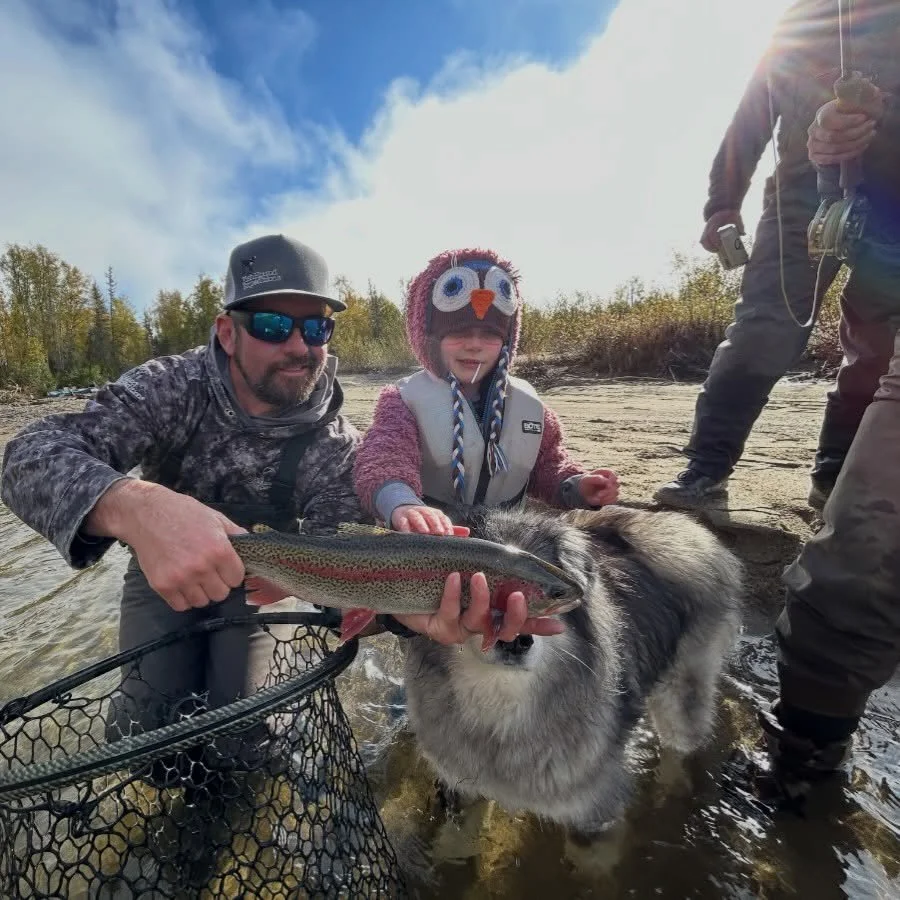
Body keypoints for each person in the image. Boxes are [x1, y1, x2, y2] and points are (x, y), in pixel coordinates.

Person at [0, 234, 556, 747]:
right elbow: (26, 457)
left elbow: (345, 563)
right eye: (271, 325)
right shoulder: (169, 388)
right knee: (146, 729)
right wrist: (132, 505)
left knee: (249, 732)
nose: (298, 345)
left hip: (277, 574)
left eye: (316, 328)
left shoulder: (337, 443)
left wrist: (404, 613)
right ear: (227, 331)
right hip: (162, 571)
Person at [654, 0, 894, 512]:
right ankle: (705, 471)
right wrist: (722, 203)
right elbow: (749, 123)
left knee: (875, 348)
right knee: (765, 328)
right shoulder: (798, 20)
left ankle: (834, 478)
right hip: (800, 200)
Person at [758, 0, 900, 795]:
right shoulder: (833, 27)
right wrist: (831, 150)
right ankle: (806, 772)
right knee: (850, 578)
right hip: (885, 267)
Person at [353, 246, 620, 554]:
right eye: (459, 332)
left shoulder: (529, 405)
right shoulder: (402, 402)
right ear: (428, 338)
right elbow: (382, 460)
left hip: (507, 544)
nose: (475, 345)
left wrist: (577, 486)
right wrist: (403, 504)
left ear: (507, 342)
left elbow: (549, 464)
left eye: (489, 334)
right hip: (428, 545)